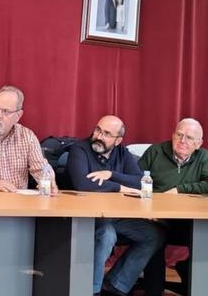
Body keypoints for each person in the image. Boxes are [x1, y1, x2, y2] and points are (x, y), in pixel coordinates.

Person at [67, 115, 165, 296]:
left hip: (117, 215)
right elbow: (83, 184)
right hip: (90, 216)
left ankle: (116, 285)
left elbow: (139, 182)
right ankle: (92, 289)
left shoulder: (122, 153)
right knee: (107, 234)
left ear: (118, 140)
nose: (98, 136)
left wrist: (110, 174)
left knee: (154, 234)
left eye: (106, 134)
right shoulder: (79, 149)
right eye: (97, 130)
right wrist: (119, 187)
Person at [138, 118, 208, 295]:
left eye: (189, 138)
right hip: (155, 217)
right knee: (153, 236)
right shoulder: (155, 152)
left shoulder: (203, 157)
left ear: (198, 143)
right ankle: (154, 291)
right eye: (179, 135)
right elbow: (135, 179)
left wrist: (179, 190)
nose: (182, 141)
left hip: (188, 220)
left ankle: (195, 285)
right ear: (172, 135)